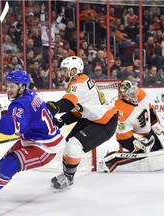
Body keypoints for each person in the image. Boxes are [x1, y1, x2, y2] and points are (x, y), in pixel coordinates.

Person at [0, 70, 65, 208]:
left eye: (12, 86)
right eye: (7, 85)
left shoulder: (20, 104)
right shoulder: (30, 95)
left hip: (44, 147)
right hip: (36, 139)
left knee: (10, 163)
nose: (8, 90)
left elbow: (13, 127)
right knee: (4, 161)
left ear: (22, 87)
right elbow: (21, 116)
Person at [45, 56, 118, 190]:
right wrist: (60, 121)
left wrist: (52, 108)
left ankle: (68, 177)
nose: (61, 72)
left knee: (74, 144)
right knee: (69, 143)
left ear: (74, 70)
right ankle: (66, 174)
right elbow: (78, 109)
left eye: (64, 69)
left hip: (105, 122)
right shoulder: (79, 82)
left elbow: (67, 104)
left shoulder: (79, 83)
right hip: (93, 119)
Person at [100, 80, 164, 172]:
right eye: (130, 93)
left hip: (145, 132)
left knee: (158, 152)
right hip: (127, 137)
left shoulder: (141, 93)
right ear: (124, 96)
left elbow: (149, 108)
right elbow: (123, 134)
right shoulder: (120, 110)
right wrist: (136, 142)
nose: (134, 94)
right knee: (143, 153)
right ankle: (113, 159)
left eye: (133, 91)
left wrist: (155, 123)